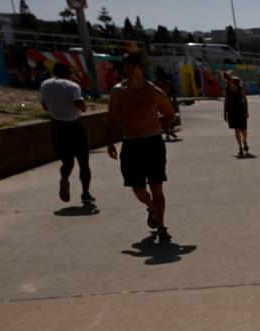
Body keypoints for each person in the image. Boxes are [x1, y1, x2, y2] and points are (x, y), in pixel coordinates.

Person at [106, 52, 176, 241]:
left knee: (156, 187)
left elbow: (170, 114)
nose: (128, 70)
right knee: (137, 188)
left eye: (132, 66)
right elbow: (111, 118)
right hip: (131, 143)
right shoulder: (118, 91)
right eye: (126, 66)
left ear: (141, 68)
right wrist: (110, 142)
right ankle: (151, 207)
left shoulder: (154, 92)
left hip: (153, 143)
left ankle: (161, 227)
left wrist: (155, 125)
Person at [40, 62, 93, 205]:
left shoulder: (45, 84)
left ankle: (64, 179)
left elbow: (44, 106)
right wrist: (84, 106)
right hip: (74, 128)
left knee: (67, 162)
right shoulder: (72, 86)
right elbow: (78, 103)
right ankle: (86, 193)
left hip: (57, 129)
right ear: (67, 73)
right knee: (84, 163)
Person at [224, 75, 249, 157]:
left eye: (231, 80)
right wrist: (225, 112)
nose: (229, 81)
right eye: (229, 80)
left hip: (241, 111)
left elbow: (245, 100)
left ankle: (244, 141)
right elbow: (226, 101)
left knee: (243, 130)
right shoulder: (227, 89)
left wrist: (246, 112)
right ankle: (240, 147)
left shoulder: (240, 88)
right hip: (231, 111)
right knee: (236, 129)